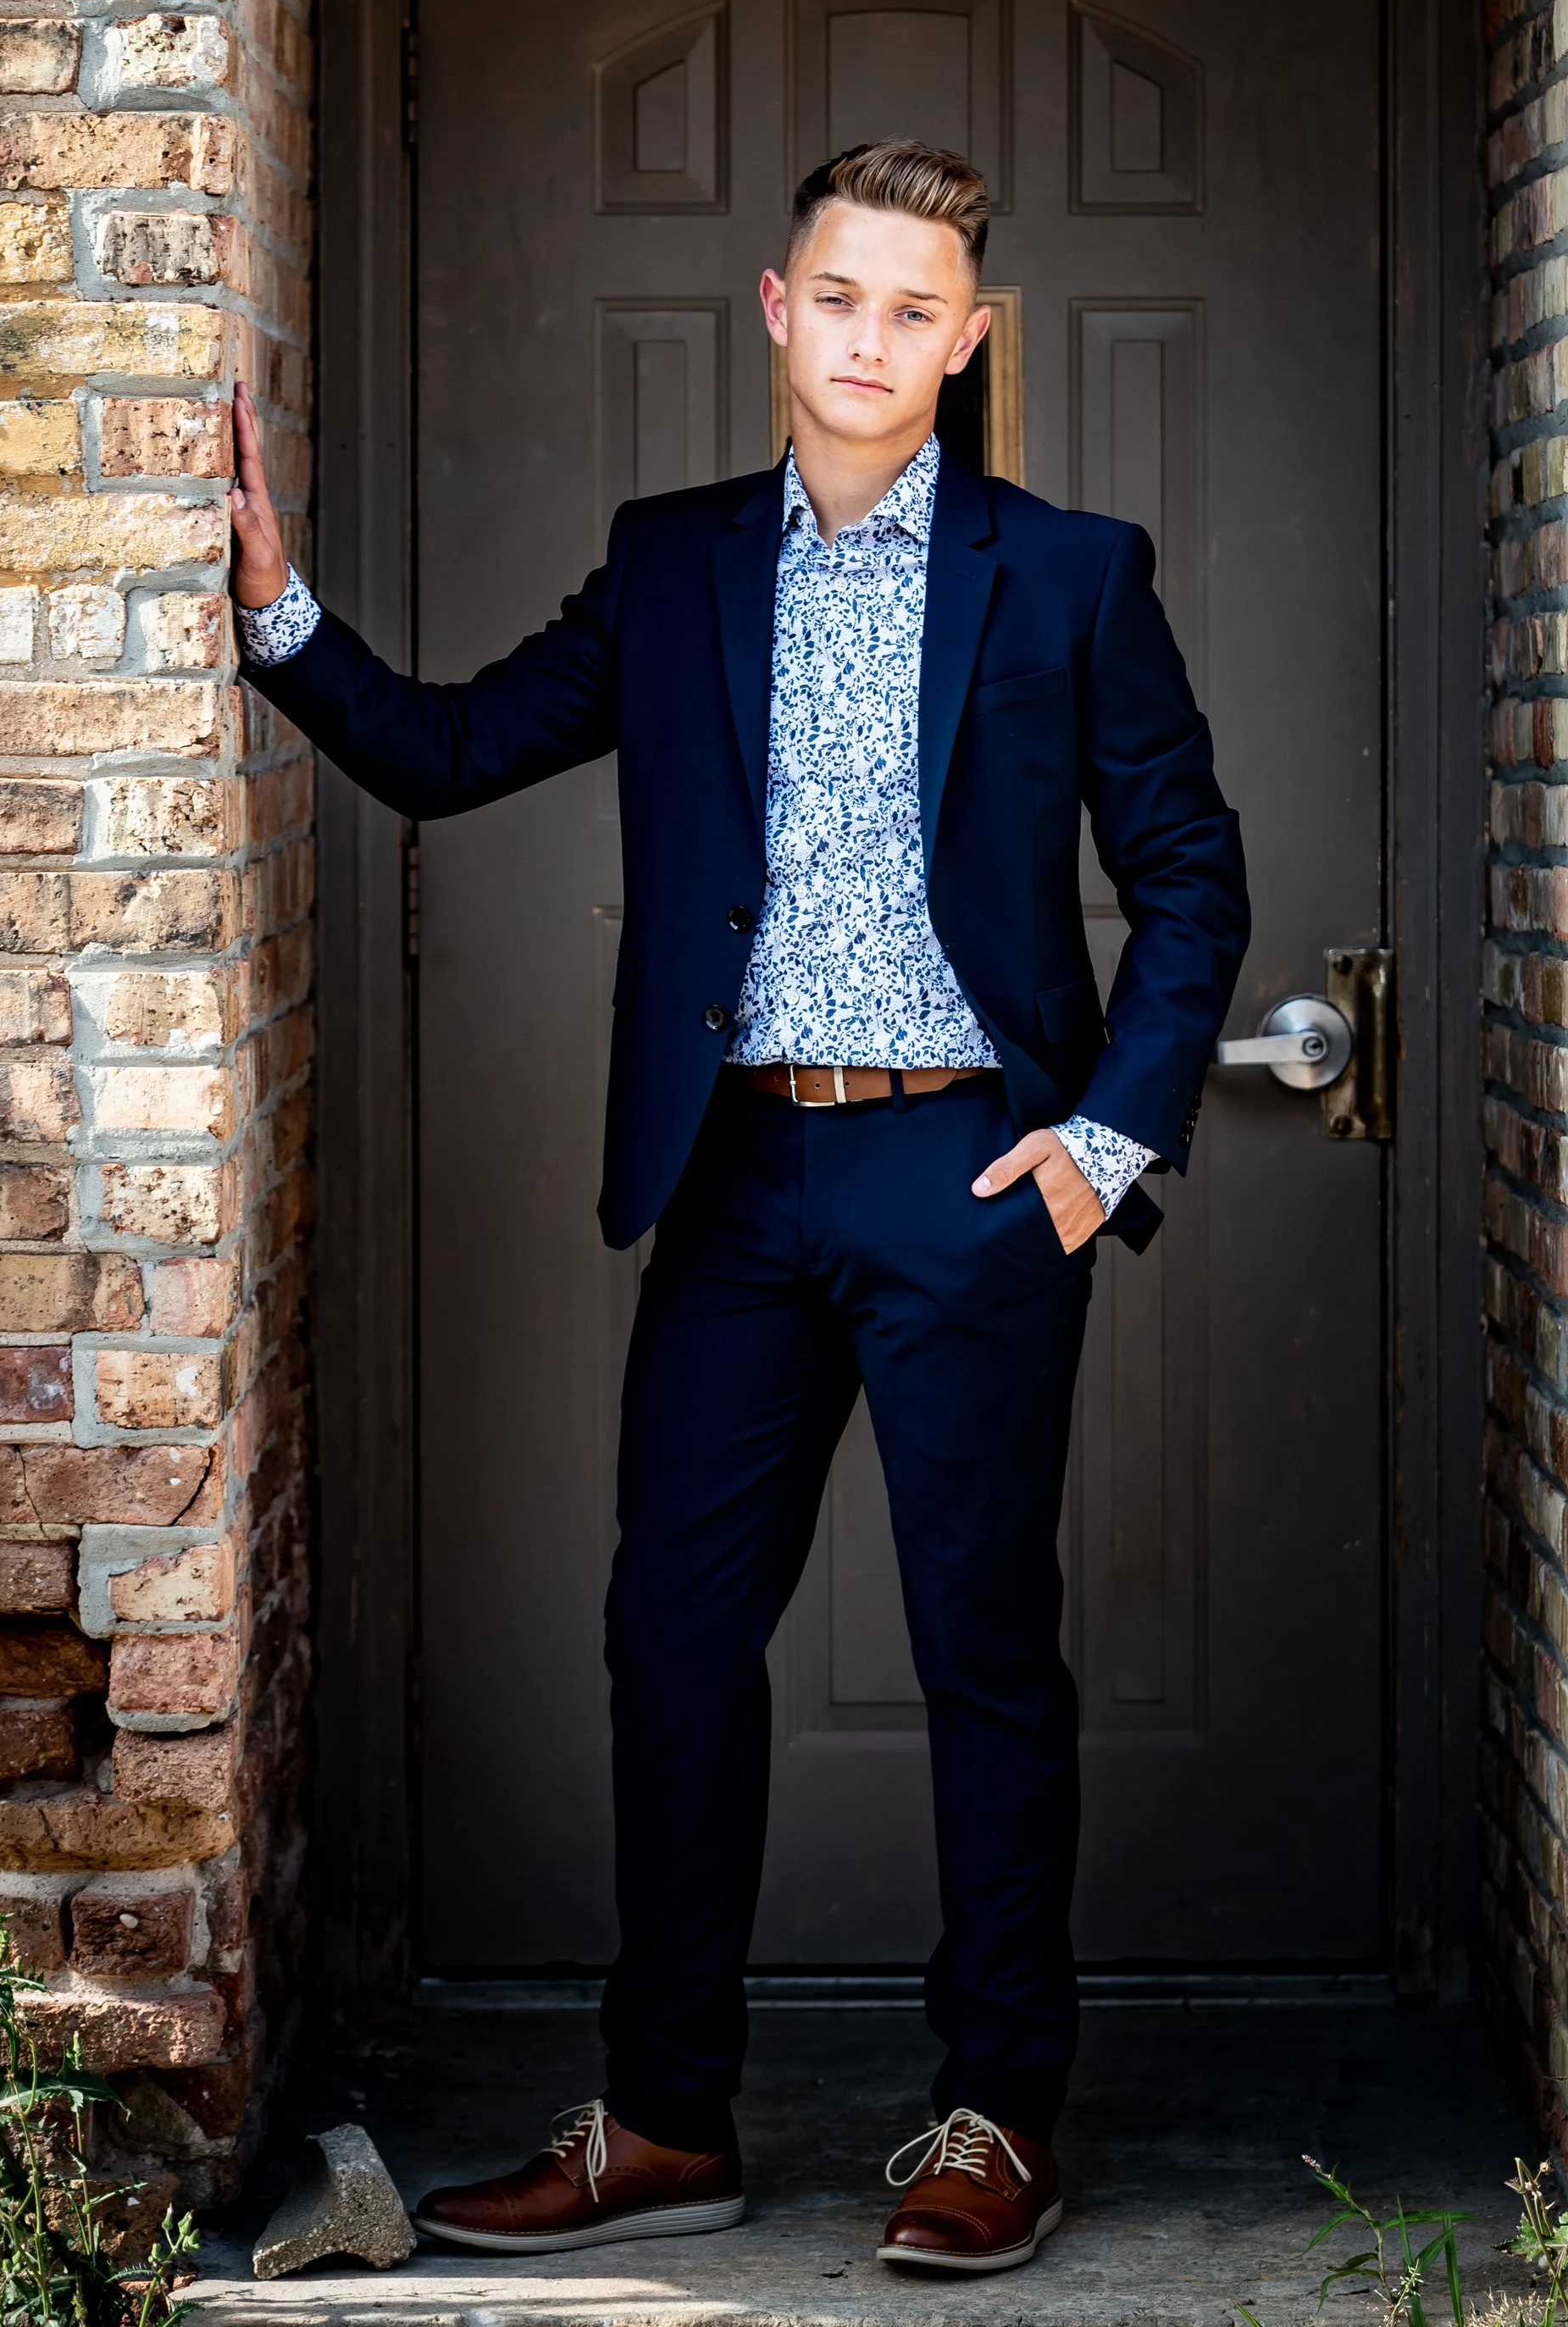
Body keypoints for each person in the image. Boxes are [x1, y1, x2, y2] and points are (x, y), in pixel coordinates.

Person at [230, 140, 1249, 2272]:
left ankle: (993, 2118)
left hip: (968, 1173)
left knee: (985, 1658)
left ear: (964, 345)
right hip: (735, 1177)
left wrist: (1100, 1148)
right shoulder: (675, 562)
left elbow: (1189, 881)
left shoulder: (1067, 575)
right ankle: (666, 2116)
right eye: (841, 295)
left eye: (917, 310)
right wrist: (273, 613)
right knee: (672, 1640)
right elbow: (445, 749)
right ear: (774, 310)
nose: (873, 338)